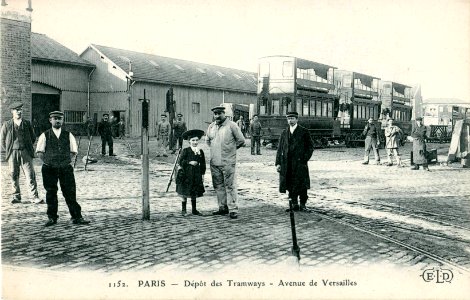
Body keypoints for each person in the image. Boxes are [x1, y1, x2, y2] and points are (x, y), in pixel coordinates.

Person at [36, 111, 90, 226]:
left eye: (60, 118)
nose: (58, 121)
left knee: (70, 192)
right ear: (50, 120)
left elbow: (73, 151)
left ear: (63, 120)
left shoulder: (68, 135)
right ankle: (52, 218)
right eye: (55, 118)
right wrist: (49, 162)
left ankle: (76, 217)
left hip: (65, 168)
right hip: (49, 168)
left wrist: (64, 162)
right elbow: (40, 152)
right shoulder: (44, 135)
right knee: (51, 193)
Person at [206, 106, 245, 219]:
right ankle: (222, 207)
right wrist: (216, 150)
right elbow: (208, 141)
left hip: (228, 162)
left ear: (224, 113)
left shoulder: (232, 125)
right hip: (214, 162)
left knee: (230, 185)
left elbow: (241, 141)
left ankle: (233, 209)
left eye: (219, 113)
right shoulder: (211, 126)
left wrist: (230, 150)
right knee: (218, 185)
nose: (217, 116)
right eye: (215, 114)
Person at [1, 102, 44, 204]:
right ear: (12, 111)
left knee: (30, 174)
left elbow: (33, 138)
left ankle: (34, 197)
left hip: (26, 153)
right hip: (13, 153)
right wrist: (10, 150)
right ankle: (16, 197)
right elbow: (2, 140)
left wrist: (27, 148)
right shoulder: (7, 125)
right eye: (16, 110)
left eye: (20, 110)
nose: (19, 112)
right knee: (13, 174)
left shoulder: (27, 124)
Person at [275, 112, 314, 212]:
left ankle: (303, 204)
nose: (290, 121)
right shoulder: (284, 133)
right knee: (290, 184)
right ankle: (294, 204)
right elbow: (279, 149)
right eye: (289, 119)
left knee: (302, 184)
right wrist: (278, 163)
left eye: (292, 118)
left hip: (300, 164)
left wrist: (304, 159)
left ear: (297, 119)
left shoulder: (304, 131)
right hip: (287, 164)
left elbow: (310, 147)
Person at [176, 129, 206, 216]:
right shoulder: (186, 151)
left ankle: (194, 210)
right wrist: (189, 162)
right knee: (185, 191)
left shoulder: (200, 151)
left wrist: (202, 174)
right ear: (189, 141)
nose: (195, 142)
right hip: (186, 174)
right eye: (193, 140)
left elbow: (203, 163)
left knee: (194, 191)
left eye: (196, 140)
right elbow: (180, 161)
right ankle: (184, 210)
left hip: (196, 174)